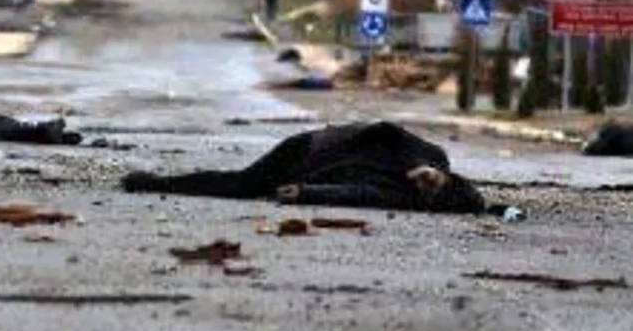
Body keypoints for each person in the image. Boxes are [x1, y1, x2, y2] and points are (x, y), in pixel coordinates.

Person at [121, 121, 488, 214]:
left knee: (242, 187)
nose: (428, 186)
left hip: (310, 172)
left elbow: (358, 196)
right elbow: (384, 129)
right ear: (446, 177)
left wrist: (306, 194)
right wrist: (420, 165)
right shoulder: (430, 154)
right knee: (241, 184)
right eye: (435, 183)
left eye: (431, 192)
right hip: (311, 148)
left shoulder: (410, 199)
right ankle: (154, 183)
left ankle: (155, 183)